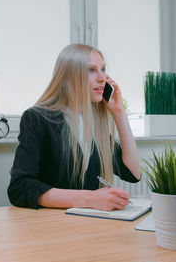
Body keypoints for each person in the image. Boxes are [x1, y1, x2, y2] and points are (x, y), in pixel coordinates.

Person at [8, 43, 141, 211]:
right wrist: (90, 198)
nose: (102, 78)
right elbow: (20, 188)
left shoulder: (95, 123)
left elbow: (133, 173)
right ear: (70, 76)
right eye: (91, 70)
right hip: (52, 225)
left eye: (103, 69)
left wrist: (119, 113)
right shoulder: (36, 118)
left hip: (89, 224)